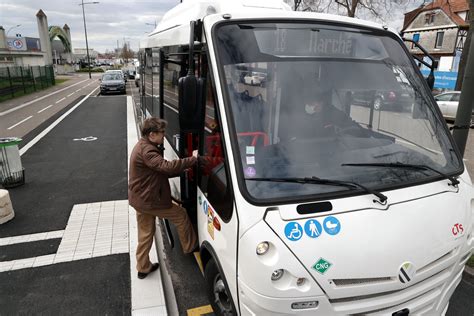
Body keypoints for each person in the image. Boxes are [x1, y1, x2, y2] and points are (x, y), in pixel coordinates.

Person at [129, 117, 198, 279]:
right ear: (152, 134)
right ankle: (191, 247)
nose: (164, 136)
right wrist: (193, 160)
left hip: (140, 198)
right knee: (180, 215)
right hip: (150, 200)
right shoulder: (148, 151)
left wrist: (182, 170)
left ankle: (143, 267)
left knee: (145, 233)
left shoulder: (143, 145)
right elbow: (165, 167)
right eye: (162, 133)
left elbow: (158, 171)